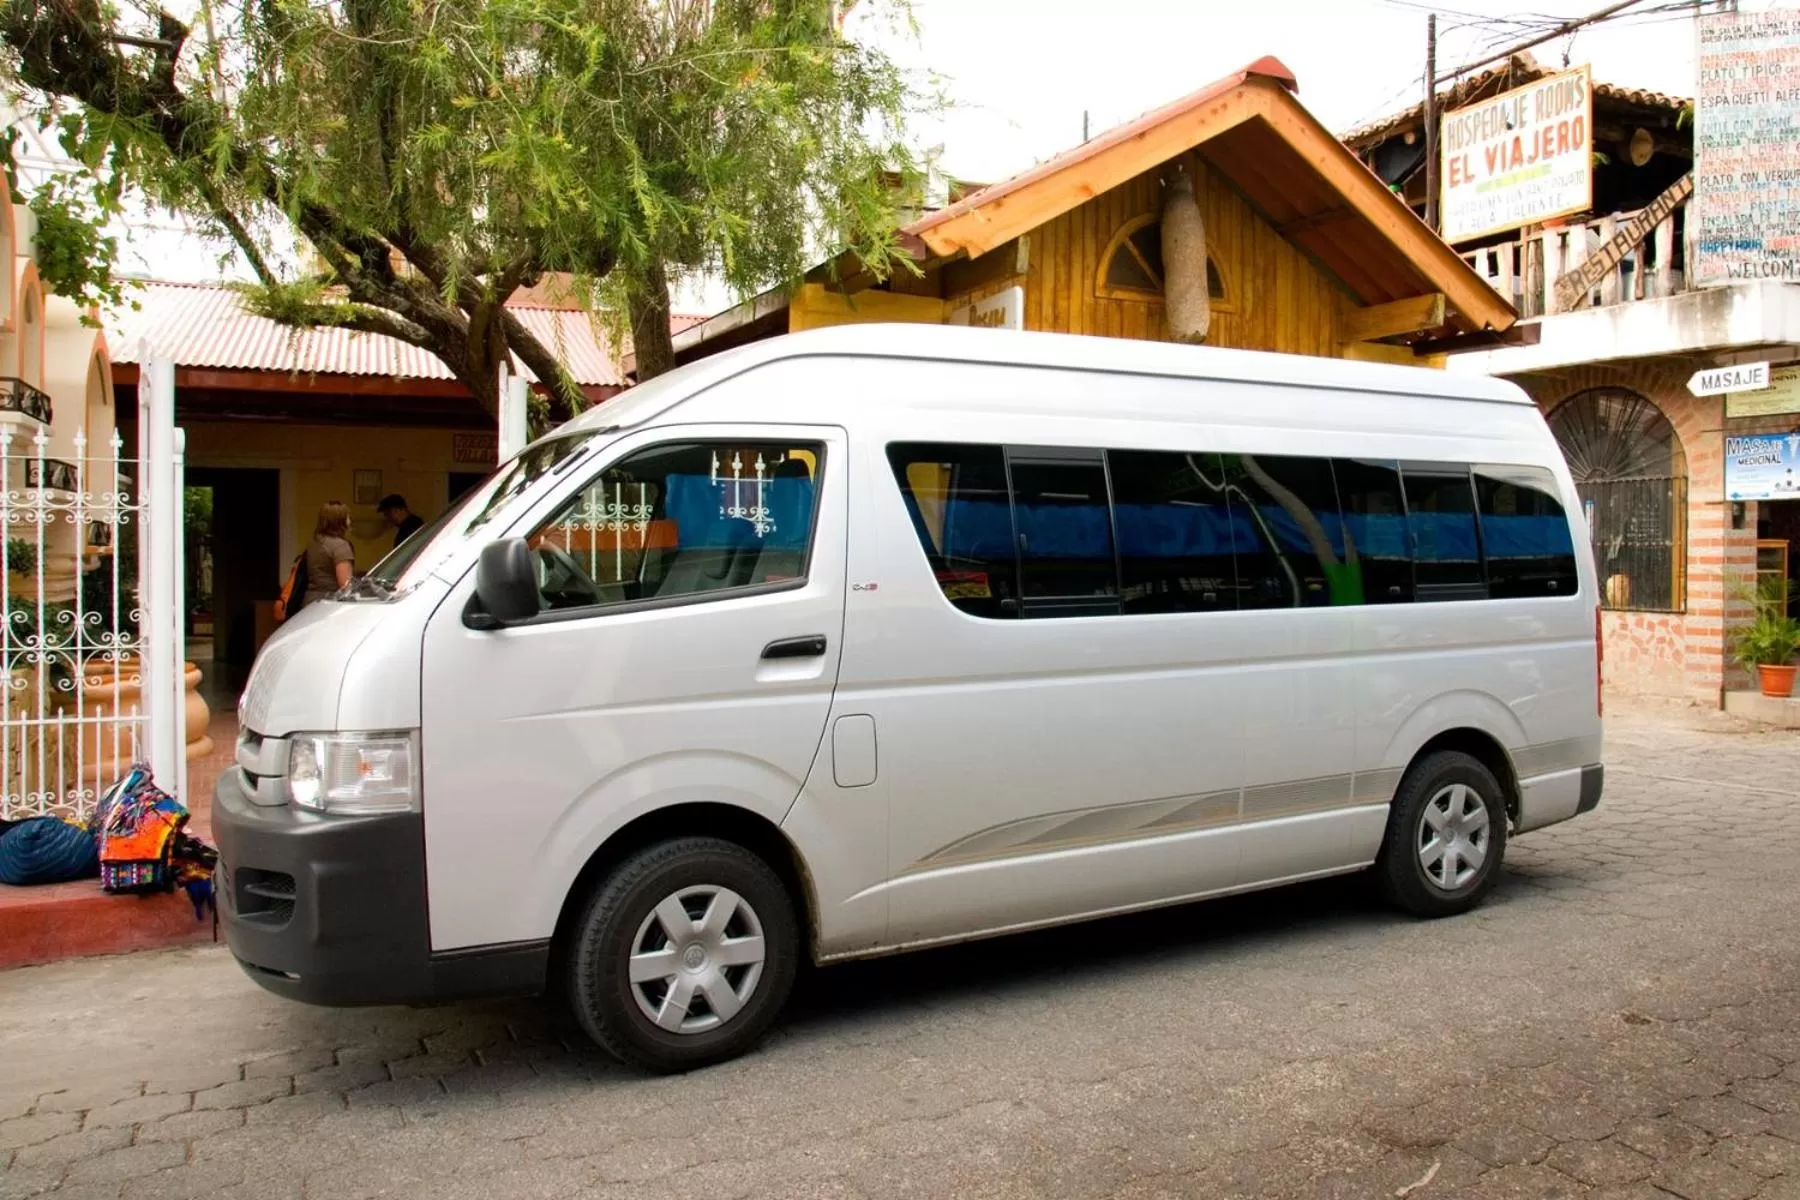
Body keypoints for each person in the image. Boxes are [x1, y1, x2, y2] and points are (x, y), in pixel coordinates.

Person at [307, 501, 356, 597]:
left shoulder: (314, 542)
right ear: (339, 521)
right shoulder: (340, 546)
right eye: (347, 517)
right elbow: (346, 586)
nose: (349, 521)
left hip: (310, 600)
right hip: (330, 600)